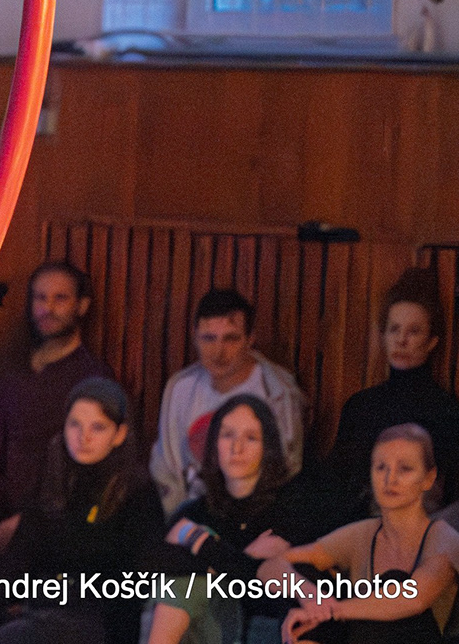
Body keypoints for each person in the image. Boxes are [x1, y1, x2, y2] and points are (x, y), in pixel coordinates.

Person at [0, 376, 165, 644]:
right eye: (75, 424)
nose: (84, 437)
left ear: (119, 434)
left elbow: (134, 584)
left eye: (98, 427)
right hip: (34, 608)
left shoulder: (136, 491)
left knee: (18, 635)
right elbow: (18, 558)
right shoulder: (54, 475)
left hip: (94, 621)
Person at [0, 260, 114, 568]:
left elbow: (91, 476)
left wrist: (27, 525)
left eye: (60, 298)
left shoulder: (93, 378)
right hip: (0, 525)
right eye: (40, 297)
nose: (47, 308)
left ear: (82, 306)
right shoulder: (12, 368)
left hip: (59, 535)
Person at [266, 424, 456, 643]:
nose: (390, 479)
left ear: (428, 478)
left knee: (393, 583)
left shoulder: (443, 537)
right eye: (381, 467)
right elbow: (272, 566)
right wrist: (310, 595)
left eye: (404, 469)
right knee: (305, 573)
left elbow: (414, 598)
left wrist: (330, 610)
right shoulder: (364, 533)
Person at [145, 394, 305, 644]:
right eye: (227, 435)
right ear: (214, 444)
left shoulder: (289, 507)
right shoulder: (194, 512)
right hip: (206, 628)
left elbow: (275, 586)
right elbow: (155, 566)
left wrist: (202, 545)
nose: (236, 448)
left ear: (267, 447)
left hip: (267, 628)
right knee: (180, 586)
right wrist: (245, 557)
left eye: (250, 438)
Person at [152, 288, 307, 515]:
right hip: (191, 515)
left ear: (250, 339)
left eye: (231, 339)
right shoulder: (180, 388)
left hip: (255, 517)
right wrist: (179, 521)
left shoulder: (276, 392)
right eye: (208, 338)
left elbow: (287, 469)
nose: (219, 352)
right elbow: (165, 469)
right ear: (194, 336)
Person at [322, 271, 459, 524]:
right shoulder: (361, 406)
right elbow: (334, 482)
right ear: (383, 336)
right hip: (354, 528)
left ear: (431, 342)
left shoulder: (446, 411)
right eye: (394, 329)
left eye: (414, 331)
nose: (401, 340)